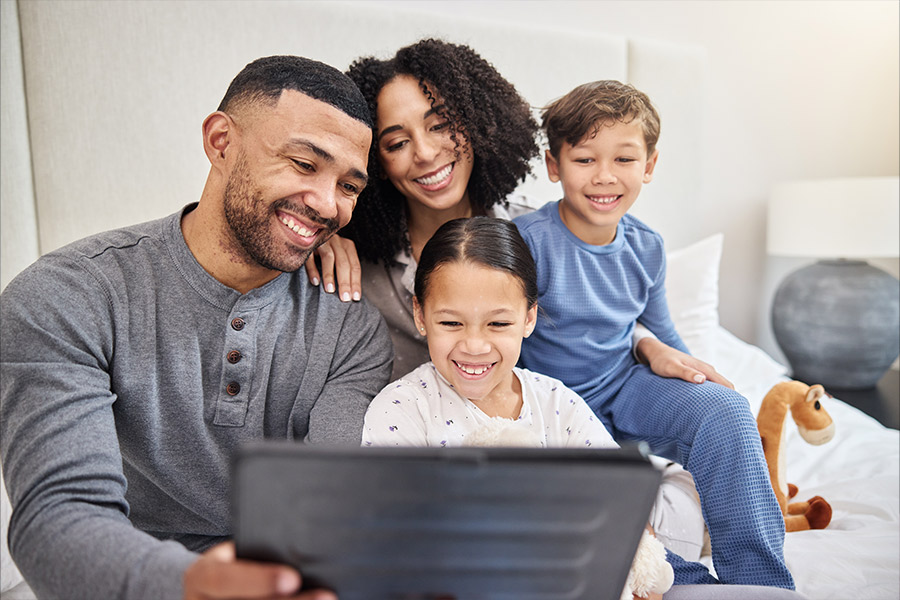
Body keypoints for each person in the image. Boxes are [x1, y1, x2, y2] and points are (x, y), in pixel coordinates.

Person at [0, 55, 393, 600]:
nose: (328, 205)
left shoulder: (352, 331)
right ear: (220, 141)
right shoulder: (66, 296)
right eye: (304, 163)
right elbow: (57, 519)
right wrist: (197, 584)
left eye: (349, 187)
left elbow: (331, 505)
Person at [513, 80, 794, 589]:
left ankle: (761, 583)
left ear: (649, 165)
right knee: (612, 496)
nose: (604, 177)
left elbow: (664, 334)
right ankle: (682, 583)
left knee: (725, 410)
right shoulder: (528, 242)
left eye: (624, 159)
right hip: (554, 407)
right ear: (554, 166)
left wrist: (694, 377)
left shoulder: (647, 247)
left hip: (625, 388)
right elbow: (505, 338)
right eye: (584, 160)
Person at [362, 216, 619, 451]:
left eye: (498, 324)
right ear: (420, 315)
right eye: (451, 323)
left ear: (529, 318)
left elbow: (618, 490)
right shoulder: (402, 409)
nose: (474, 347)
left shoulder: (558, 405)